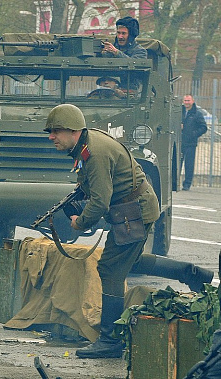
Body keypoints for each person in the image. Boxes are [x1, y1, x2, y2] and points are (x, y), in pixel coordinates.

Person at [44, 104, 214, 359]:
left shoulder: (95, 153)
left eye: (56, 131)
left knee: (110, 269)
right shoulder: (87, 144)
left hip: (133, 211)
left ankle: (110, 341)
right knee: (129, 261)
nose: (51, 136)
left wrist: (80, 222)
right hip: (132, 208)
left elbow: (101, 202)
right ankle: (192, 273)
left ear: (73, 130)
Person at [101, 16, 146, 90]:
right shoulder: (110, 50)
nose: (120, 36)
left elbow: (134, 67)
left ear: (131, 36)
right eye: (118, 33)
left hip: (130, 94)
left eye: (123, 33)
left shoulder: (140, 51)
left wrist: (117, 53)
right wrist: (102, 53)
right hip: (108, 91)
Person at [181, 94, 208, 191]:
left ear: (192, 101)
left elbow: (204, 127)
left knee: (189, 165)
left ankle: (187, 184)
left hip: (190, 143)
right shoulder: (179, 112)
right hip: (180, 142)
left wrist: (193, 134)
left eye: (188, 100)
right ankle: (174, 183)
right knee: (177, 164)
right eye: (185, 100)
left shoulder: (197, 113)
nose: (186, 102)